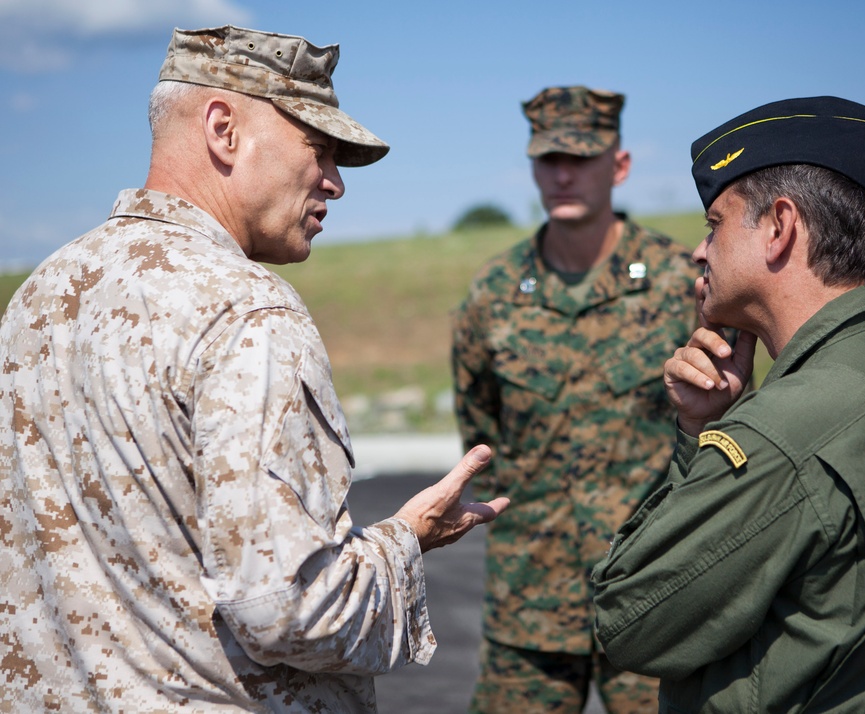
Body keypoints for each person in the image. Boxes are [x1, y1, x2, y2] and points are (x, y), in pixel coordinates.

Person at [0, 25, 508, 713]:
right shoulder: (247, 309)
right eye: (318, 149)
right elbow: (290, 609)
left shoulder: (38, 295)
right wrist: (403, 543)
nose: (335, 182)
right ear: (223, 129)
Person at [592, 96, 865, 712]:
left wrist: (702, 440)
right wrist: (703, 424)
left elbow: (628, 620)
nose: (698, 251)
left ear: (780, 227)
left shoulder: (785, 431)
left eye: (715, 224)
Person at [451, 85, 700, 713]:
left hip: (656, 588)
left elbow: (722, 425)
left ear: (619, 165)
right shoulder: (495, 291)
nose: (563, 175)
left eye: (582, 159)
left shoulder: (680, 282)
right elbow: (480, 430)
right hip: (531, 597)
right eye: (548, 160)